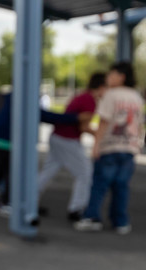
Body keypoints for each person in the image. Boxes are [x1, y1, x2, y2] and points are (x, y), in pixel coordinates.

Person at [0, 91, 77, 217]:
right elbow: (44, 115)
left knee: (0, 171)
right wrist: (74, 118)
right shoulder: (25, 99)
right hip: (4, 141)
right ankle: (6, 203)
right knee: (10, 172)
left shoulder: (11, 96)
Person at [75, 62, 144, 234]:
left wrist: (96, 145)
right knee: (121, 186)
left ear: (121, 76)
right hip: (129, 147)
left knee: (99, 184)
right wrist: (137, 144)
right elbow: (140, 124)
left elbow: (103, 122)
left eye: (111, 74)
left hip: (110, 146)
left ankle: (92, 217)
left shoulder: (111, 95)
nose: (108, 78)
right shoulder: (137, 97)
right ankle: (120, 222)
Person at [36, 72, 106, 221]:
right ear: (101, 87)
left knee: (49, 171)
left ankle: (28, 200)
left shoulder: (84, 96)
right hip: (67, 139)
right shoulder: (89, 99)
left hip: (59, 137)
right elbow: (83, 126)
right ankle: (76, 209)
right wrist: (101, 135)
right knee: (85, 173)